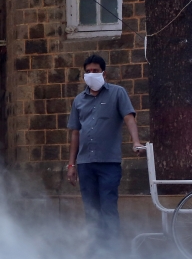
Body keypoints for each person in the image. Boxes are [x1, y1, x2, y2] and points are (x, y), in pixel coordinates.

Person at [66, 54, 142, 254]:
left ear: (104, 73)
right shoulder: (79, 100)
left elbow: (129, 118)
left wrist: (136, 141)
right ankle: (95, 250)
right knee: (91, 210)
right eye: (88, 72)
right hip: (85, 163)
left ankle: (112, 251)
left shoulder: (118, 93)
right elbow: (75, 132)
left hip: (108, 163)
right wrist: (71, 164)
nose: (91, 75)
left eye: (95, 71)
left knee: (108, 207)